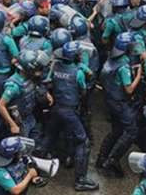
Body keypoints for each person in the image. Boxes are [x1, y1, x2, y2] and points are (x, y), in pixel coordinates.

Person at [39, 41, 99, 191]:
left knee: (50, 136)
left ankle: (36, 165)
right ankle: (80, 179)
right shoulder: (77, 72)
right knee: (83, 142)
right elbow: (83, 90)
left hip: (56, 107)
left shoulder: (56, 66)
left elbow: (49, 82)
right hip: (70, 111)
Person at [97, 32, 142, 177]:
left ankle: (101, 157)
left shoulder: (111, 58)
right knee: (132, 131)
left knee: (116, 130)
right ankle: (112, 160)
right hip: (120, 102)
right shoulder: (123, 65)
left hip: (110, 99)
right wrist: (139, 75)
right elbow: (129, 89)